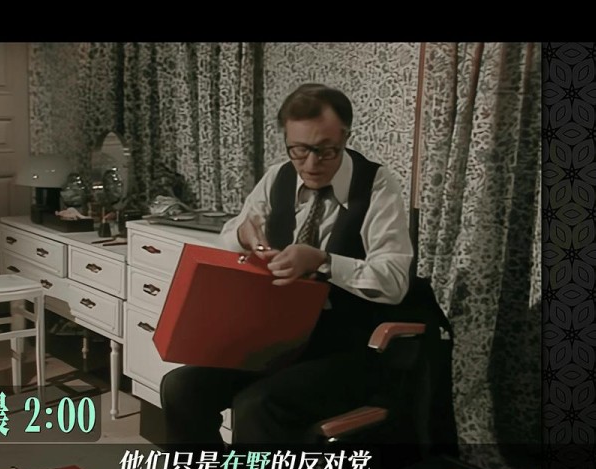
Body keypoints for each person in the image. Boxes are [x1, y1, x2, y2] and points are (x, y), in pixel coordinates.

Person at [160, 83, 414, 447]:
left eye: (326, 151)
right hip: (278, 340)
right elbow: (232, 234)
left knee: (256, 406)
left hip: (347, 349)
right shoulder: (278, 176)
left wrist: (324, 261)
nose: (310, 165)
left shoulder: (377, 186)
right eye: (299, 150)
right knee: (181, 387)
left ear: (346, 137)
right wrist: (245, 236)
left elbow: (394, 281)